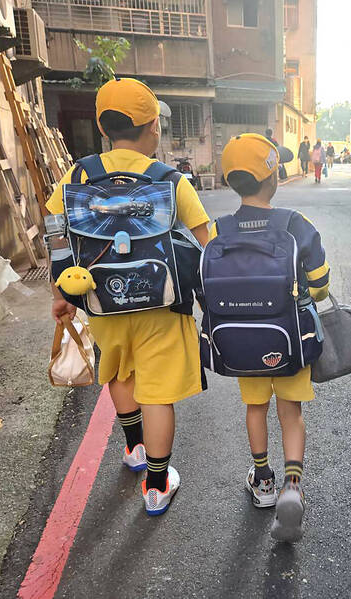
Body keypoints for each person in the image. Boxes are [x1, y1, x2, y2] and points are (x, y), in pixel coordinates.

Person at [47, 78, 210, 515]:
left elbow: (55, 235)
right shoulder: (170, 180)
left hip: (101, 300)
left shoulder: (77, 175)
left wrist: (62, 291)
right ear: (153, 126)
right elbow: (206, 243)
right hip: (163, 304)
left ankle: (134, 448)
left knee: (118, 371)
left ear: (103, 127)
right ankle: (156, 485)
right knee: (157, 392)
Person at [210, 133, 330, 541]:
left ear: (231, 182)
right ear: (274, 177)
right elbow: (320, 285)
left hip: (243, 343)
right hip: (290, 339)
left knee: (256, 409)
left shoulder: (220, 229)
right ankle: (292, 485)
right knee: (291, 413)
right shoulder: (295, 224)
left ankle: (262, 480)